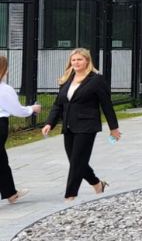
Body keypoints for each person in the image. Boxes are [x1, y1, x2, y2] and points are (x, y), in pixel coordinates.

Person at [41, 48, 120, 201]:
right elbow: (58, 104)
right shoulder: (67, 79)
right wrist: (49, 123)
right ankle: (97, 184)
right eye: (73, 60)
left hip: (87, 126)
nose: (76, 62)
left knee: (77, 161)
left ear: (87, 61)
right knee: (76, 161)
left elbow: (106, 105)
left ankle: (70, 196)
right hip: (69, 126)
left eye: (79, 59)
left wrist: (114, 128)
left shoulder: (96, 80)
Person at [0, 54, 40, 203]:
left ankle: (10, 193)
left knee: (1, 159)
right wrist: (32, 109)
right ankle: (10, 193)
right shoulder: (4, 89)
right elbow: (17, 110)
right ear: (5, 69)